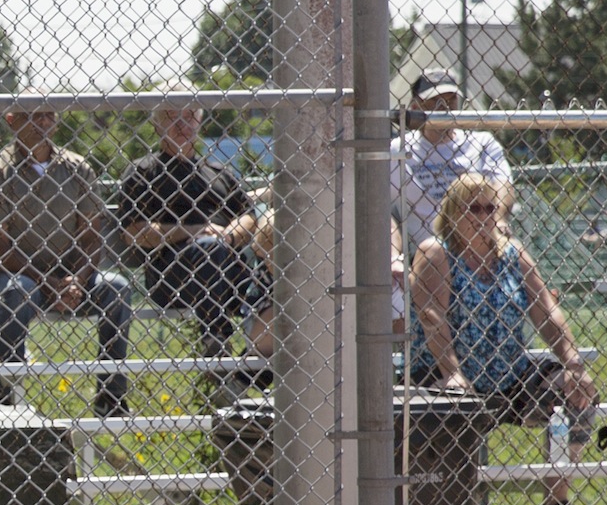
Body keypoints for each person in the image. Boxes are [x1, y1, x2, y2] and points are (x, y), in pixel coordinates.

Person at [409, 173, 600, 505]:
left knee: (578, 394)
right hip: (444, 375)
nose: (483, 217)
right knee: (449, 411)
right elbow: (432, 316)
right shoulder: (435, 253)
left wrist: (573, 362)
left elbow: (546, 310)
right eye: (473, 208)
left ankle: (556, 502)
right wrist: (452, 373)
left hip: (508, 375)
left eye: (490, 208)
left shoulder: (512, 253)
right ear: (452, 213)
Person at [0, 108, 133, 413]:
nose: (42, 122)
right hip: (18, 276)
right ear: (11, 120)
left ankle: (111, 396)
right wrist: (47, 282)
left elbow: (91, 237)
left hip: (72, 278)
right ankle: (5, 397)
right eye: (31, 115)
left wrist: (78, 280)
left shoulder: (76, 167)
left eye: (48, 114)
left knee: (117, 288)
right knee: (15, 293)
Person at [118, 104, 259, 402]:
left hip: (229, 269)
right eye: (172, 116)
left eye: (190, 117)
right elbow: (133, 231)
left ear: (200, 122)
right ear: (156, 125)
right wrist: (192, 230)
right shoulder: (144, 172)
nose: (183, 125)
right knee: (208, 249)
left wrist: (228, 234)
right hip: (173, 274)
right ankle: (216, 342)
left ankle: (249, 375)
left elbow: (248, 215)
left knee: (267, 270)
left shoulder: (219, 171)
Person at [246, 207, 406, 361]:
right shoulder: (264, 273)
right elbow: (259, 338)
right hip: (284, 336)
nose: (269, 263)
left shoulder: (331, 265)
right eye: (266, 258)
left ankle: (407, 361)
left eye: (274, 257)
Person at [389, 69, 511, 255]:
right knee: (433, 254)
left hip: (477, 247)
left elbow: (503, 183)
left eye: (450, 100)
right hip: (426, 253)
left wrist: (499, 219)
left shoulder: (481, 142)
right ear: (415, 107)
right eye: (434, 101)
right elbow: (383, 209)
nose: (444, 107)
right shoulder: (399, 149)